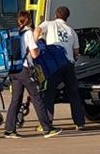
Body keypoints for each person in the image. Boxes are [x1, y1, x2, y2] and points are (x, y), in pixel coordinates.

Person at [4, 10, 61, 138]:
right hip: (25, 69)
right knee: (37, 98)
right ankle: (47, 128)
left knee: (16, 100)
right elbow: (34, 53)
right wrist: (39, 50)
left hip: (14, 70)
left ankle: (9, 129)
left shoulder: (13, 33)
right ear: (29, 20)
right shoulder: (28, 32)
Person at [36, 5, 86, 129]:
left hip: (54, 65)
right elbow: (76, 52)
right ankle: (80, 122)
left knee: (49, 93)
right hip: (68, 64)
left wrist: (34, 43)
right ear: (67, 17)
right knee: (73, 93)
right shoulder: (71, 31)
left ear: (55, 15)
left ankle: (47, 123)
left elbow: (37, 30)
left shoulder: (48, 24)